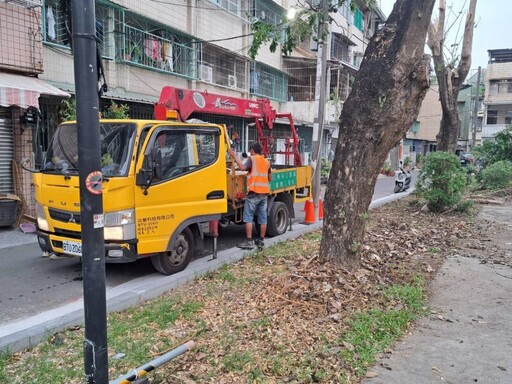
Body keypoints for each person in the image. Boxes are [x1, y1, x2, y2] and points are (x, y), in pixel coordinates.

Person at [228, 142, 272, 250]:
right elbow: (270, 178)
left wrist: (235, 156)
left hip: (253, 194)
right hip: (264, 194)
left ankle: (249, 241)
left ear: (252, 150)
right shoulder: (266, 161)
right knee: (263, 218)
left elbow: (242, 168)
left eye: (250, 150)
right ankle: (261, 241)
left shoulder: (252, 159)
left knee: (248, 218)